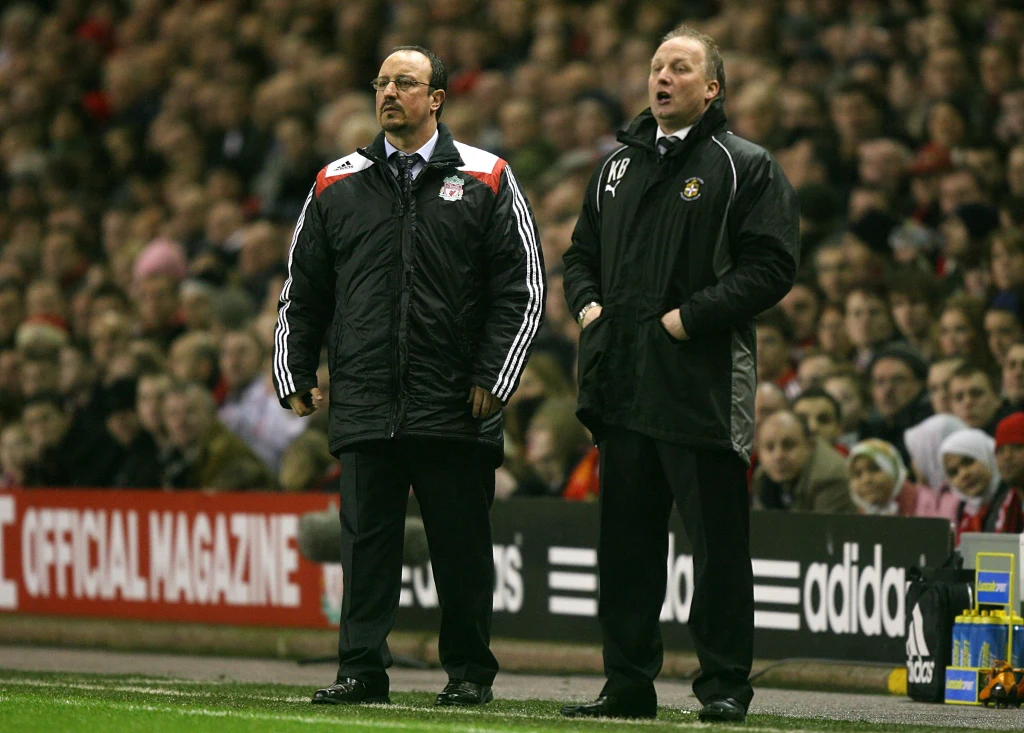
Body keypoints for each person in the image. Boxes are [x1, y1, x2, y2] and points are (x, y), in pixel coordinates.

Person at [272, 46, 544, 708]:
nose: (390, 92)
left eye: (406, 82)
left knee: (461, 549)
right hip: (364, 399)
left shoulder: (488, 174)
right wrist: (294, 367)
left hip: (455, 401)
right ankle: (361, 667)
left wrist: (494, 376)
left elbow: (524, 288)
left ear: (438, 98)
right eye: (383, 82)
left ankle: (469, 672)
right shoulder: (335, 181)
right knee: (367, 549)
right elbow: (302, 290)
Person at [561, 26, 799, 724]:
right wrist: (589, 307)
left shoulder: (743, 165)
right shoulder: (616, 167)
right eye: (657, 65)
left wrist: (689, 319)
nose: (662, 76)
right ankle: (627, 683)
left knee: (718, 548)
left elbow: (772, 265)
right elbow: (579, 254)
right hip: (621, 385)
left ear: (712, 88)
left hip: (698, 388)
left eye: (681, 67)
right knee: (625, 551)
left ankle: (724, 684)